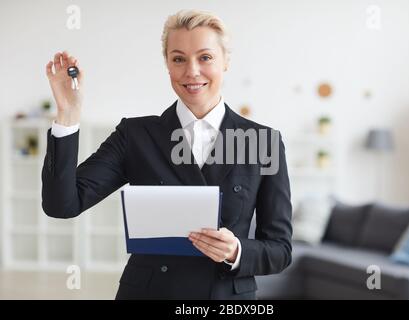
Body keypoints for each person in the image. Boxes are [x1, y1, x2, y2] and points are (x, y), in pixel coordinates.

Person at [42, 9, 292, 300]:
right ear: (168, 65)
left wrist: (236, 250)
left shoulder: (262, 141)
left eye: (205, 57)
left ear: (226, 61)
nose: (192, 71)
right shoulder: (135, 135)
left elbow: (280, 250)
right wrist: (68, 113)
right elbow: (62, 205)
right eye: (178, 59)